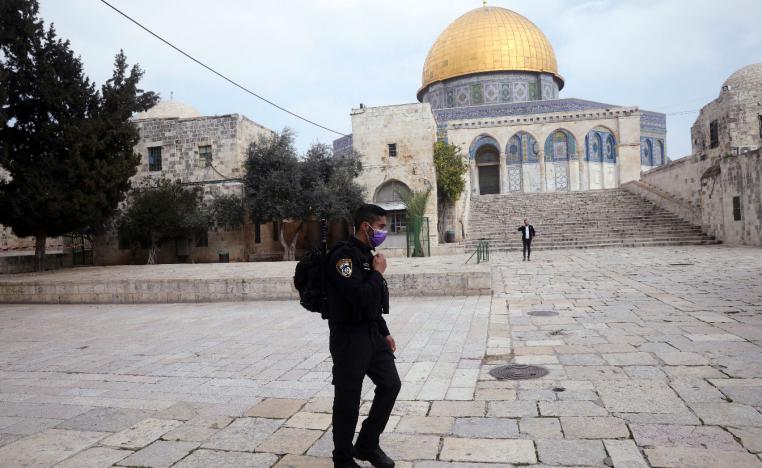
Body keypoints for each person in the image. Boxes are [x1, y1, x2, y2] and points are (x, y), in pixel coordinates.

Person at [325, 203, 400, 468]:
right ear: (365, 226)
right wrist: (378, 273)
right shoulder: (342, 258)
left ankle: (367, 444)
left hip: (371, 333)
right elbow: (358, 298)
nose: (383, 232)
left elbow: (371, 304)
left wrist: (384, 332)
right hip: (348, 338)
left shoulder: (369, 255)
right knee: (348, 399)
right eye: (380, 227)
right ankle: (342, 459)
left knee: (391, 384)